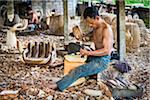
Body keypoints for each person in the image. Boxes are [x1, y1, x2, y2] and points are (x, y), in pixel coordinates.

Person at [46, 6, 114, 91]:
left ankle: (58, 86)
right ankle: (67, 79)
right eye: (88, 23)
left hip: (103, 60)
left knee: (79, 70)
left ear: (97, 18)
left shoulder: (106, 29)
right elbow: (94, 38)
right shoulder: (96, 27)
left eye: (91, 23)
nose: (90, 25)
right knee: (74, 56)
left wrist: (88, 53)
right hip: (96, 56)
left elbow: (106, 51)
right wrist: (84, 37)